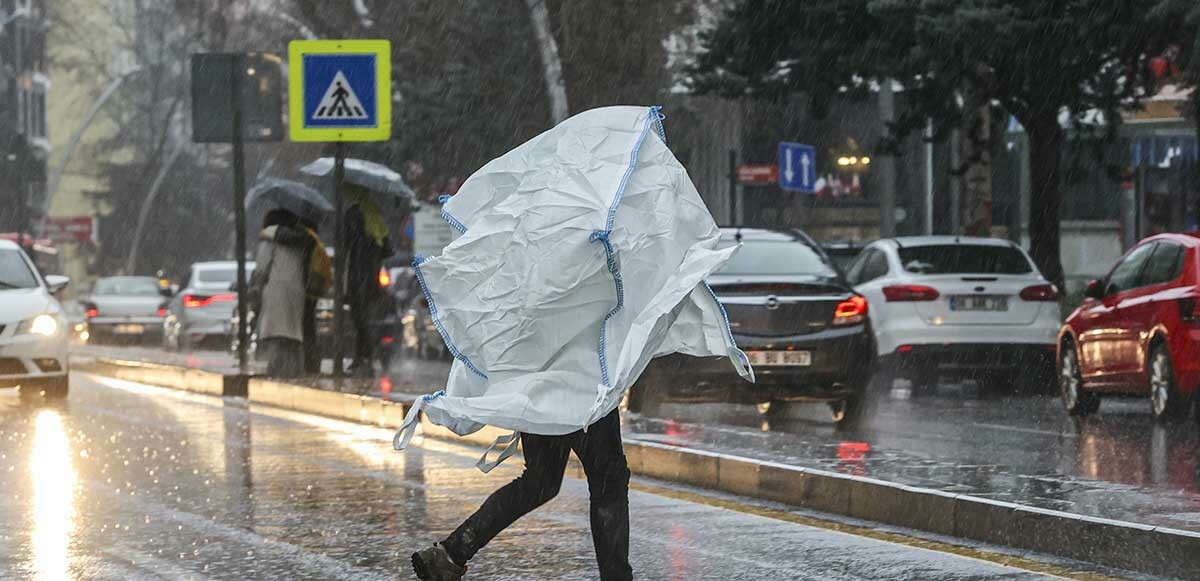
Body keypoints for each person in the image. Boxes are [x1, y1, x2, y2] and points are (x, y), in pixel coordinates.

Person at [411, 408, 631, 580]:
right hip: (584, 384)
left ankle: (452, 553)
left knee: (540, 481)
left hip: (539, 386)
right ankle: (616, 577)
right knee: (608, 483)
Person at [248, 209, 312, 378]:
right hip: (297, 291)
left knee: (277, 334)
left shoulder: (270, 239)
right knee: (292, 335)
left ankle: (277, 371)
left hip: (275, 290)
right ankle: (295, 371)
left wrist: (255, 287)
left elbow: (262, 267)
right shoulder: (300, 240)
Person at [343, 185, 392, 376]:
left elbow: (346, 242)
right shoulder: (374, 213)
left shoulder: (353, 214)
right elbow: (387, 246)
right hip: (372, 273)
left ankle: (364, 356)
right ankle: (364, 356)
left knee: (359, 318)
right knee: (364, 318)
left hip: (359, 272)